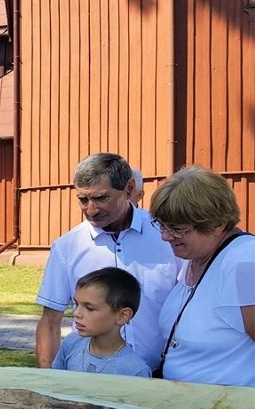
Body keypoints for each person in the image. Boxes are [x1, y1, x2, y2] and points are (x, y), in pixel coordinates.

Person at [35, 153, 180, 370]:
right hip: (90, 377)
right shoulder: (67, 247)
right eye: (83, 199)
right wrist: (48, 380)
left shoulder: (167, 236)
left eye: (101, 198)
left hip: (163, 375)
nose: (90, 209)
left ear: (129, 189)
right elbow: (50, 321)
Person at [150, 165, 255, 386]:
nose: (165, 236)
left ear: (217, 224)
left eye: (177, 228)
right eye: (161, 225)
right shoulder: (196, 255)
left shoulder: (245, 261)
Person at [52, 268, 151, 377]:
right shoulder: (71, 344)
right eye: (76, 304)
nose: (77, 313)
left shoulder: (135, 370)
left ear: (122, 316)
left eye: (89, 308)